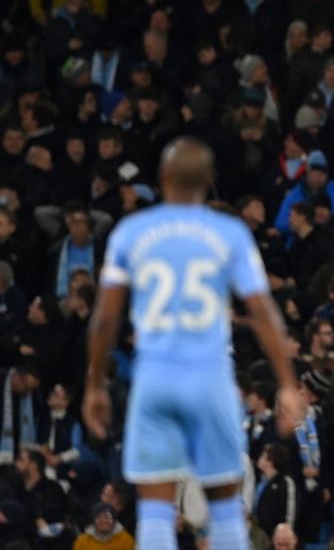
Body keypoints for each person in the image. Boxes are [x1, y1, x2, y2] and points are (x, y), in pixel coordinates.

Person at [83, 137, 305, 550]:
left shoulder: (132, 231)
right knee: (224, 508)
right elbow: (265, 312)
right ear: (210, 180)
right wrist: (287, 382)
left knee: (154, 509)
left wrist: (95, 383)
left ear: (163, 177)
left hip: (156, 379)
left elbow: (105, 318)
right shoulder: (230, 233)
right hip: (211, 377)